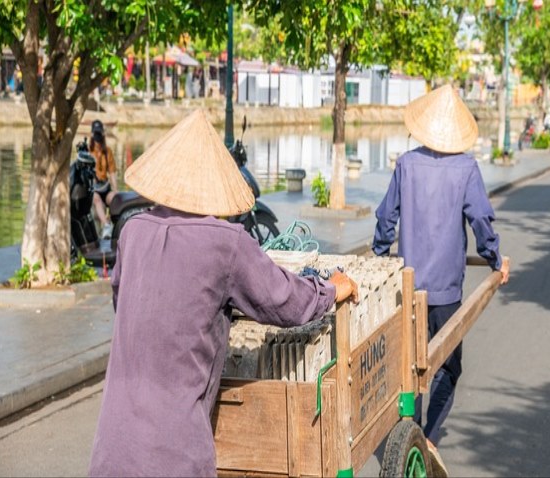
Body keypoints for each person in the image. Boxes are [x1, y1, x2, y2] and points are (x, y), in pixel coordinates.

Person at [88, 109, 359, 477]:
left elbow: (125, 303)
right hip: (176, 454)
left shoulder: (132, 232)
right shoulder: (226, 243)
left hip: (112, 448)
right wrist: (329, 289)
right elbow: (284, 301)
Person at [372, 84, 510, 475]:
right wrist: (495, 259)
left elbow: (386, 220)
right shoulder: (466, 168)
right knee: (447, 367)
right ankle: (426, 433)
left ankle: (410, 432)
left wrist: (382, 257)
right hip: (446, 290)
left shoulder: (406, 164)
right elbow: (481, 221)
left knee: (411, 367)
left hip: (407, 286)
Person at [89, 120, 118, 239]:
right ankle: (106, 225)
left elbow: (112, 172)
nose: (97, 137)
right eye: (95, 134)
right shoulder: (88, 151)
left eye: (99, 134)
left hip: (105, 187)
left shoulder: (108, 151)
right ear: (92, 134)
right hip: (94, 189)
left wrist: (116, 190)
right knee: (96, 199)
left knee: (114, 198)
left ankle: (113, 226)